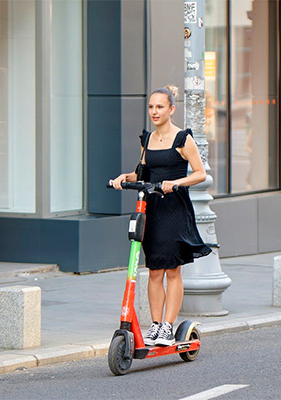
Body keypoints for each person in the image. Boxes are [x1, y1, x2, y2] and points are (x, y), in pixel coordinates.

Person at [112, 85, 211, 346]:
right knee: (154, 269)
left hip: (174, 209)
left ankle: (168, 326)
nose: (154, 112)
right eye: (151, 107)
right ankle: (155, 326)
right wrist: (125, 178)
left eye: (160, 107)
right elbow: (143, 173)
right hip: (152, 209)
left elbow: (200, 173)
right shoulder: (148, 139)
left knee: (172, 270)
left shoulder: (182, 139)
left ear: (171, 109)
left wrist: (176, 182)